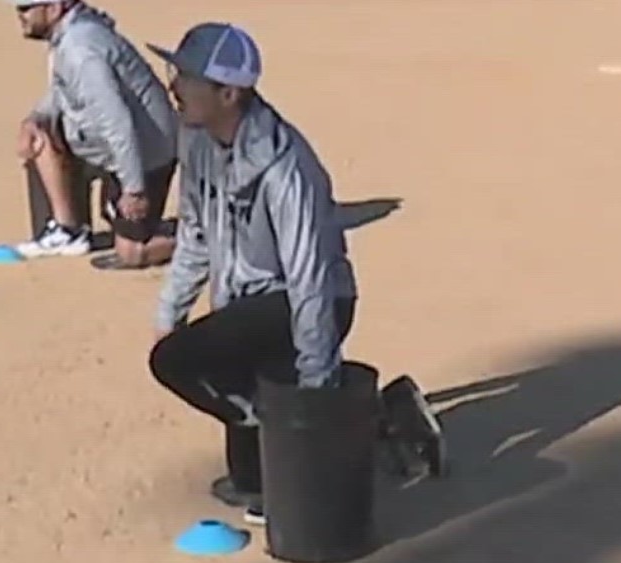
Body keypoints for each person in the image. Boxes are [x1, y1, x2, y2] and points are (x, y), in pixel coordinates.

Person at [144, 22, 442, 525]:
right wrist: (171, 308)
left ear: (228, 93)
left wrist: (316, 383)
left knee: (177, 361)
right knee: (247, 480)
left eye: (187, 76)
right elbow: (195, 231)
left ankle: (319, 428)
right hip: (247, 306)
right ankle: (368, 422)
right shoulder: (196, 139)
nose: (174, 85)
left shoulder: (288, 168)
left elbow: (310, 277)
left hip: (310, 301)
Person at [8, 0, 178, 268]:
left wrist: (133, 189)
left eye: (26, 8)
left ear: (53, 9)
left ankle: (197, 239)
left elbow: (118, 122)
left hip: (145, 153)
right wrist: (35, 118)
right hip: (99, 144)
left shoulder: (80, 49)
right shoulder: (68, 35)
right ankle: (67, 231)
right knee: (39, 134)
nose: (20, 15)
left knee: (131, 252)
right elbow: (63, 90)